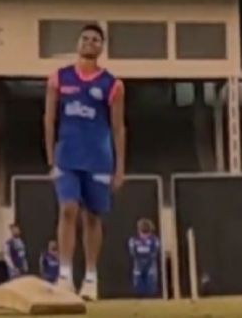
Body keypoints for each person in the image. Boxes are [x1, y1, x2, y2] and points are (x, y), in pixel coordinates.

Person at [44, 20, 125, 299]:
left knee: (92, 216)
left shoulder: (112, 85)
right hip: (67, 156)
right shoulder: (59, 78)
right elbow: (49, 119)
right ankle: (64, 274)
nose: (90, 43)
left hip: (98, 159)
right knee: (68, 209)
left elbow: (118, 128)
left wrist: (120, 167)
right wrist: (50, 157)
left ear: (102, 48)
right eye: (85, 38)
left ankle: (91, 276)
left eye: (95, 40)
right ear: (77, 43)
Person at [129, 216, 162, 298]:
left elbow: (155, 251)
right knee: (138, 283)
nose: (144, 235)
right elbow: (133, 252)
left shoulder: (154, 240)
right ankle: (139, 297)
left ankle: (151, 297)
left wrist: (149, 258)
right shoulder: (134, 240)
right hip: (138, 264)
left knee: (151, 283)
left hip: (150, 264)